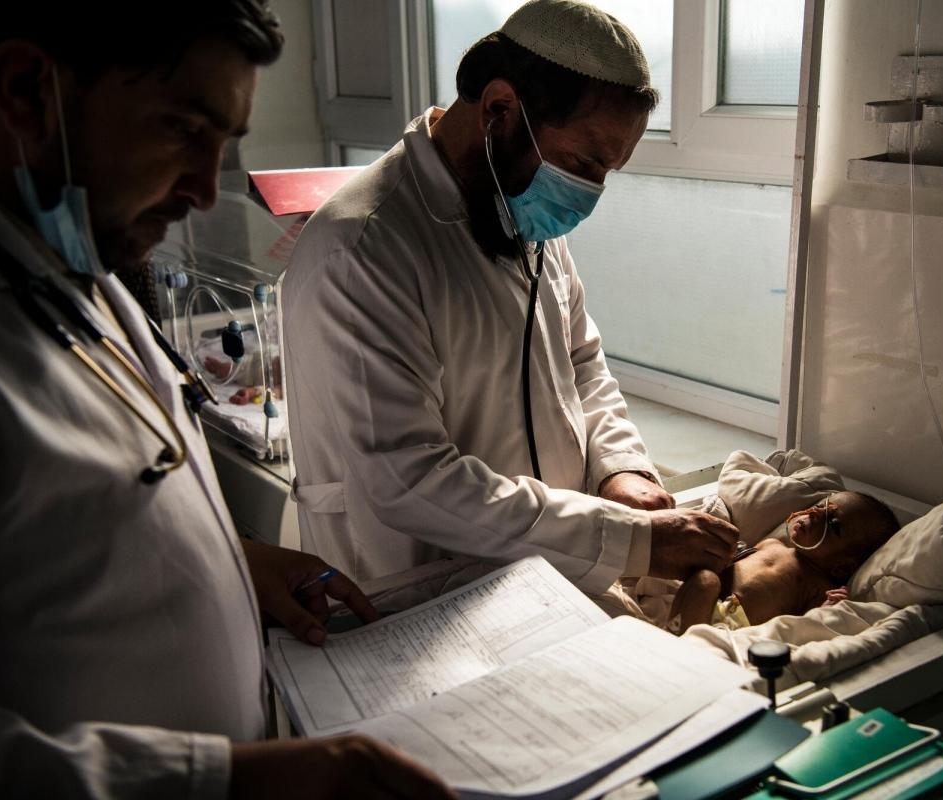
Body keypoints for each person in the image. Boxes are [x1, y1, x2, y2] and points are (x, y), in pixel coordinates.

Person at [0, 2, 453, 797]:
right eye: (182, 129)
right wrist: (228, 780)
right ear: (25, 90)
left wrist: (235, 567)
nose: (202, 190)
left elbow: (89, 505)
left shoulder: (75, 264)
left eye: (224, 144)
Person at [282, 0, 738, 597]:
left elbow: (579, 365)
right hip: (416, 588)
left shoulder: (519, 210)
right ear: (500, 108)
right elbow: (407, 479)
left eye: (609, 171)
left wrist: (620, 470)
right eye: (583, 162)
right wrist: (632, 541)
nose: (590, 191)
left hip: (540, 575)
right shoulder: (365, 245)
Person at [667, 492, 901, 633]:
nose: (815, 515)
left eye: (833, 524)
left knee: (706, 581)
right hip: (704, 605)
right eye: (820, 507)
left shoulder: (818, 585)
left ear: (842, 567)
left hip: (734, 630)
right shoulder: (772, 544)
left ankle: (689, 645)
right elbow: (731, 564)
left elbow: (806, 626)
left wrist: (828, 609)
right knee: (705, 579)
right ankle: (680, 634)